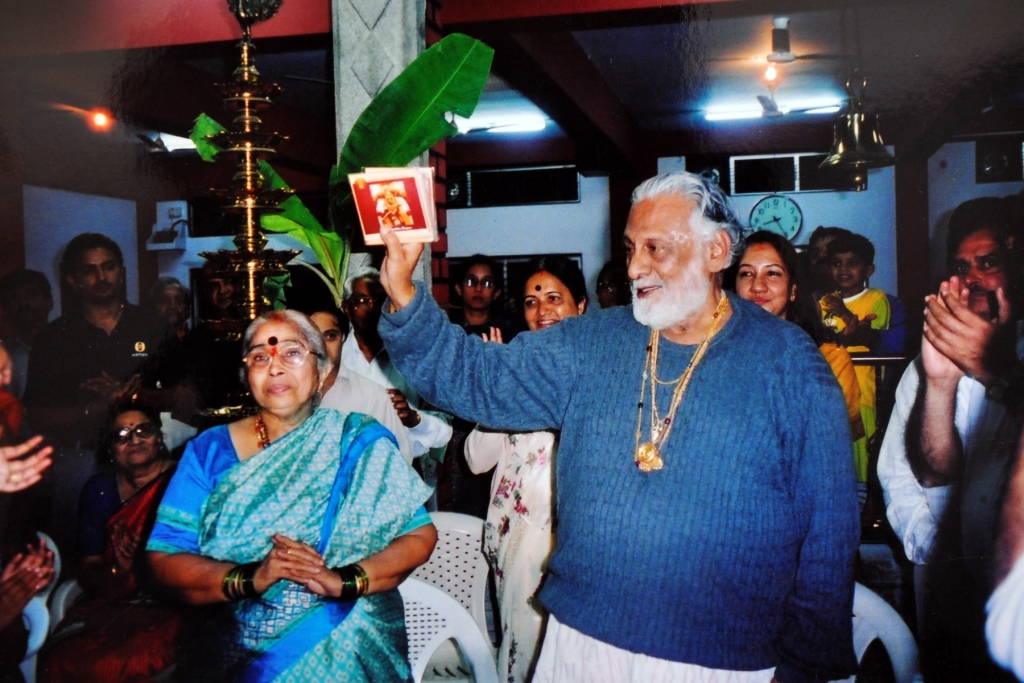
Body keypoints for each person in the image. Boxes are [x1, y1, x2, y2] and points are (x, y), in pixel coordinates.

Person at [377, 171, 859, 683]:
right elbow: (481, 379)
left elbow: (829, 536)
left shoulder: (790, 365)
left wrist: (808, 667)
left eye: (655, 248)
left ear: (717, 250)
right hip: (579, 643)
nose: (634, 267)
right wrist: (406, 296)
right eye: (631, 248)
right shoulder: (590, 342)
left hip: (724, 660)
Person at [146, 309, 436, 682]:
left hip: (353, 654)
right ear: (245, 375)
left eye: (293, 353)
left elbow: (418, 535)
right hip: (242, 656)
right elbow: (164, 557)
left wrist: (346, 580)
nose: (275, 367)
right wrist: (250, 578)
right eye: (260, 357)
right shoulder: (209, 451)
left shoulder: (356, 440)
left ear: (322, 372)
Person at [878, 196, 1023, 683]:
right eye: (963, 267)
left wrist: (994, 368)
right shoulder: (927, 365)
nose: (975, 278)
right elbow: (917, 473)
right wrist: (938, 553)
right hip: (943, 578)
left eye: (989, 264)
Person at [464, 255, 587, 683]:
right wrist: (496, 385)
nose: (543, 310)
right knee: (522, 651)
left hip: (575, 538)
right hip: (516, 542)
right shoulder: (514, 364)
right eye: (532, 301)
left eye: (555, 297)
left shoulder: (602, 368)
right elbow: (476, 460)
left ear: (581, 306)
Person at [22, 233, 176, 560]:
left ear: (121, 271)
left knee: (153, 551)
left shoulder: (151, 325)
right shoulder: (54, 337)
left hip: (143, 457)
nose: (101, 277)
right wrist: (95, 408)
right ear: (72, 278)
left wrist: (139, 395)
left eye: (108, 267)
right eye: (90, 270)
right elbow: (36, 415)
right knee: (80, 557)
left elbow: (186, 395)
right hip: (80, 460)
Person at [40, 403, 180, 683]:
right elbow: (88, 567)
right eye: (122, 435)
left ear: (159, 437)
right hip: (115, 600)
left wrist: (156, 560)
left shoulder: (185, 478)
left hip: (176, 599)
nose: (135, 440)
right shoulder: (100, 489)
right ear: (111, 449)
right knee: (64, 656)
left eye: (144, 430)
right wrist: (117, 568)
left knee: (132, 660)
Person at [731, 231, 864, 442]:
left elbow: (833, 440)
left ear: (793, 289)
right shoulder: (719, 353)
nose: (757, 285)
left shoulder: (829, 358)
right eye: (746, 273)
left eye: (773, 273)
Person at [341, 269, 452, 460]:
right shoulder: (335, 361)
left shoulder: (413, 357)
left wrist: (413, 418)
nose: (372, 308)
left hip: (402, 471)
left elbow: (444, 430)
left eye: (380, 300)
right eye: (361, 301)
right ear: (346, 308)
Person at [819, 233, 890, 492]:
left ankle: (868, 507)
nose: (844, 269)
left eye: (852, 263)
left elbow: (866, 336)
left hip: (864, 394)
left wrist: (844, 314)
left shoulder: (876, 299)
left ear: (868, 269)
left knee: (865, 462)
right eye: (837, 263)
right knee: (839, 464)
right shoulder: (823, 301)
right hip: (833, 394)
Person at [308, 302, 416, 463]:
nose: (321, 347)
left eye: (330, 336)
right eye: (312, 338)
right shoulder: (284, 396)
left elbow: (400, 460)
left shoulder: (374, 397)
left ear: (343, 337)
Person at [0, 269, 54, 400]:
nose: (24, 303)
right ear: (6, 308)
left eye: (31, 295)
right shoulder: (4, 355)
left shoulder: (71, 347)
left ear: (49, 302)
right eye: (14, 298)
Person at [451, 254, 519, 340]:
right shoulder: (450, 331)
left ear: (496, 293)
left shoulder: (509, 332)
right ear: (459, 289)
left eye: (487, 283)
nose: (478, 288)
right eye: (471, 281)